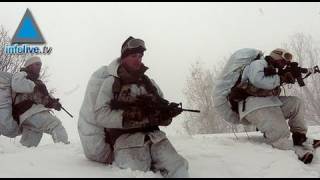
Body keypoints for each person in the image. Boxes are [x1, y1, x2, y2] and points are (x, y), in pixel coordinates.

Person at [78, 36, 189, 177]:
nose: (138, 59)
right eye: (134, 56)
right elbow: (100, 115)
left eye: (140, 56)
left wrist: (167, 114)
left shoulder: (149, 83)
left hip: (155, 139)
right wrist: (131, 116)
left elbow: (161, 113)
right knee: (136, 174)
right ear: (123, 58)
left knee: (178, 167)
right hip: (126, 143)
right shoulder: (111, 83)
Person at [230, 48, 320, 164]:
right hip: (253, 105)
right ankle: (297, 152)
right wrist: (280, 78)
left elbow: (271, 83)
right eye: (283, 59)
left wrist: (287, 78)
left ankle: (300, 138)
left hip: (270, 102)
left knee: (296, 103)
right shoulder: (258, 64)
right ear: (276, 56)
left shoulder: (275, 70)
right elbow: (258, 80)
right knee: (280, 133)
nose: (285, 63)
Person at [11, 56, 69, 147]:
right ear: (29, 66)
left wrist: (54, 103)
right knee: (55, 124)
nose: (40, 67)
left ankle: (20, 159)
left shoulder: (38, 82)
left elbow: (45, 99)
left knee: (28, 147)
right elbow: (17, 85)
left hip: (29, 116)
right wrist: (27, 78)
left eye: (40, 65)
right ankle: (65, 150)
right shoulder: (22, 75)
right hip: (29, 112)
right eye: (37, 64)